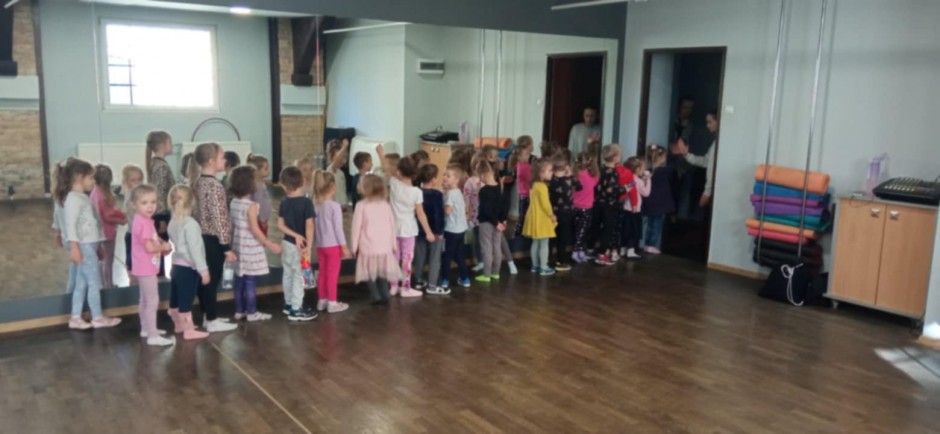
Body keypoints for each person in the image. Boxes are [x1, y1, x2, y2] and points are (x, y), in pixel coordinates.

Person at [59, 158, 122, 330]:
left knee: (82, 283)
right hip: (85, 247)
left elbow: (93, 223)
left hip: (90, 246)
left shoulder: (82, 197)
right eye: (91, 178)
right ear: (79, 177)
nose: (93, 181)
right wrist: (74, 248)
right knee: (94, 282)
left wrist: (98, 246)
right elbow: (71, 226)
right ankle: (98, 317)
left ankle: (75, 317)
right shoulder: (73, 199)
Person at [188, 143, 238, 333]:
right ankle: (211, 319)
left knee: (206, 278)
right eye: (222, 157)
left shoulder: (199, 182)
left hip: (202, 237)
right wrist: (226, 247)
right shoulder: (215, 186)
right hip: (213, 240)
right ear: (211, 161)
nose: (224, 160)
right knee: (211, 280)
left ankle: (208, 314)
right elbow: (219, 218)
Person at [229, 165, 282, 322]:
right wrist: (269, 243)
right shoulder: (251, 206)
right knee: (250, 281)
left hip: (238, 247)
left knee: (239, 280)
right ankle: (251, 312)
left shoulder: (234, 203)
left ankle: (239, 310)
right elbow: (254, 229)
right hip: (250, 249)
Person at [129, 184, 175, 346]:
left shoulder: (142, 219)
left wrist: (160, 241)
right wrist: (164, 247)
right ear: (134, 204)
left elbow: (150, 239)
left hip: (143, 266)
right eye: (144, 203)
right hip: (146, 267)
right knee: (152, 301)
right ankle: (153, 336)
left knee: (144, 299)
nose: (150, 206)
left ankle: (146, 329)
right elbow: (149, 247)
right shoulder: (144, 222)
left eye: (153, 202)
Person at [166, 184, 210, 340]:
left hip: (176, 265)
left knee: (176, 296)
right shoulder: (191, 224)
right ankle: (188, 330)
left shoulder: (173, 222)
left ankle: (179, 325)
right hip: (188, 268)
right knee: (186, 298)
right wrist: (203, 271)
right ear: (192, 202)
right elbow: (195, 250)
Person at [351, 174, 403, 305]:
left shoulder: (361, 206)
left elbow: (356, 228)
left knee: (370, 272)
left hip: (368, 246)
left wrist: (354, 247)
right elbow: (392, 226)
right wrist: (393, 244)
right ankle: (385, 294)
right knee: (382, 271)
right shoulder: (385, 205)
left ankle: (376, 296)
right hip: (384, 246)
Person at [389, 156, 435, 298]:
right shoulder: (416, 192)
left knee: (394, 258)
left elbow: (386, 169)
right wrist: (429, 232)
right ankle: (406, 288)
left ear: (398, 172)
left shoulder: (394, 184)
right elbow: (420, 214)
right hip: (408, 230)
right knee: (407, 259)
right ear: (415, 174)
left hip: (393, 229)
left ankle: (393, 286)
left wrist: (381, 153)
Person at [277, 166, 318, 321]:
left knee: (288, 273)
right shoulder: (307, 203)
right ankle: (296, 309)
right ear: (303, 182)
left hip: (286, 243)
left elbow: (280, 225)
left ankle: (288, 304)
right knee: (299, 276)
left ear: (283, 186)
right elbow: (310, 225)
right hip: (301, 247)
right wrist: (308, 245)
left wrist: (294, 235)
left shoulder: (284, 202)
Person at [312, 170, 351, 313]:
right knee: (332, 275)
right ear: (333, 187)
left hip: (320, 246)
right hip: (333, 246)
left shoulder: (316, 205)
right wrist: (344, 246)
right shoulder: (334, 206)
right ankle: (332, 302)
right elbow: (338, 229)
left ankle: (322, 300)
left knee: (322, 273)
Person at [412, 164, 447, 295]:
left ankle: (418, 280)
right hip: (434, 232)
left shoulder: (416, 192)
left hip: (418, 230)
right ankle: (432, 285)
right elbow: (439, 215)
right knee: (434, 258)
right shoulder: (437, 194)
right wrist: (440, 231)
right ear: (433, 179)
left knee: (419, 257)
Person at [90, 164, 127, 289]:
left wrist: (118, 213)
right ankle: (109, 285)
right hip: (107, 232)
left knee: (102, 259)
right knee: (108, 260)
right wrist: (121, 221)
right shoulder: (103, 195)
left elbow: (106, 212)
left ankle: (103, 283)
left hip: (98, 231)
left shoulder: (95, 192)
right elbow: (107, 216)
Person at [674, 110, 719, 207]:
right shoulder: (716, 142)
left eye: (710, 122)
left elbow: (711, 167)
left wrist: (707, 192)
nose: (707, 125)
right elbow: (706, 161)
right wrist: (687, 155)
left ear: (718, 121)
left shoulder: (718, 143)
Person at [145, 130, 174, 277]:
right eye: (170, 142)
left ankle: (158, 273)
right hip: (160, 215)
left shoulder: (156, 163)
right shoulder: (161, 166)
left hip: (158, 213)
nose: (172, 146)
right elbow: (160, 193)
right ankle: (158, 274)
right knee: (160, 247)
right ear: (162, 145)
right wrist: (162, 218)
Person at [475, 161, 508, 282]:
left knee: (486, 248)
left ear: (483, 174)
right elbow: (503, 206)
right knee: (496, 247)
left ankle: (487, 274)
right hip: (498, 223)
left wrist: (496, 222)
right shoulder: (500, 187)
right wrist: (502, 220)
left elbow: (486, 210)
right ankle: (496, 272)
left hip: (487, 223)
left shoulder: (484, 191)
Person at [523, 160, 557, 275]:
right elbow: (545, 204)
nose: (552, 173)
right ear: (541, 172)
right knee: (544, 243)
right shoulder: (542, 186)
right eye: (550, 170)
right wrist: (551, 215)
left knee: (536, 242)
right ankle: (544, 267)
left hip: (534, 216)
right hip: (542, 218)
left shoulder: (534, 185)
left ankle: (535, 265)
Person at [440, 164, 471, 289]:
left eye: (448, 176)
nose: (444, 177)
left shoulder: (451, 193)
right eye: (444, 175)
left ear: (456, 179)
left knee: (447, 256)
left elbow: (448, 211)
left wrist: (439, 207)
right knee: (458, 255)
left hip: (451, 229)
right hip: (460, 230)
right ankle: (465, 278)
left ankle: (445, 280)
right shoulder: (458, 192)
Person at [594, 144, 625, 266]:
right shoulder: (614, 173)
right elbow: (613, 191)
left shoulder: (600, 169)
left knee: (596, 226)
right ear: (615, 158)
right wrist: (627, 188)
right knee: (608, 229)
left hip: (597, 203)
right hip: (609, 205)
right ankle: (602, 254)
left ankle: (592, 249)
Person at [548, 155, 581, 271]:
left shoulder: (550, 180)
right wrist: (571, 174)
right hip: (566, 213)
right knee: (563, 238)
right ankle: (561, 261)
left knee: (551, 237)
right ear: (566, 167)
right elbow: (579, 187)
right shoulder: (569, 180)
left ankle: (548, 260)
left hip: (552, 213)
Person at [52, 159, 78, 295]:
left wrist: (57, 234)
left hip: (67, 238)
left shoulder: (60, 195)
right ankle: (74, 294)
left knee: (75, 266)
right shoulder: (74, 197)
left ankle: (70, 292)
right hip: (77, 241)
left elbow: (56, 216)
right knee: (82, 270)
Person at [643, 145, 674, 255]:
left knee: (650, 224)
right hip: (660, 203)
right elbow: (674, 168)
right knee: (656, 224)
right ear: (660, 158)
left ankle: (647, 244)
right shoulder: (664, 171)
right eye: (664, 156)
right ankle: (651, 245)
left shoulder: (647, 171)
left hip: (649, 202)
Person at [572, 152, 599, 263]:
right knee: (583, 231)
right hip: (586, 207)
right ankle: (577, 251)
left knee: (578, 231)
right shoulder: (591, 177)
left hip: (574, 207)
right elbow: (596, 180)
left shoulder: (575, 175)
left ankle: (580, 251)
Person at [621, 157, 651, 259]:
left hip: (626, 208)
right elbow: (646, 193)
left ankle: (623, 249)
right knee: (633, 231)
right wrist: (649, 180)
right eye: (642, 169)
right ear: (637, 169)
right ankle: (630, 250)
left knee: (625, 229)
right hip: (635, 209)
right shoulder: (638, 181)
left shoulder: (629, 180)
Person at [120, 164, 144, 280]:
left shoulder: (140, 194)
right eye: (133, 180)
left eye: (139, 180)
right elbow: (125, 210)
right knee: (131, 253)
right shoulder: (130, 194)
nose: (137, 183)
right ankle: (131, 273)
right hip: (132, 232)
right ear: (127, 182)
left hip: (140, 232)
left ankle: (137, 271)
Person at [510, 135, 534, 238]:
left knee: (523, 216)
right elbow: (531, 178)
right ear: (520, 156)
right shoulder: (523, 167)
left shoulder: (522, 165)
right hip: (526, 195)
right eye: (526, 154)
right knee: (523, 217)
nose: (528, 156)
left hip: (523, 195)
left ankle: (519, 234)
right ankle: (518, 235)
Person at [246, 154, 273, 236]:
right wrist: (262, 220)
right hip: (259, 220)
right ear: (257, 170)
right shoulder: (258, 186)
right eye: (266, 169)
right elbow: (259, 204)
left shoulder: (260, 183)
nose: (268, 171)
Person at [325, 139, 350, 207]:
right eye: (340, 156)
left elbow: (342, 190)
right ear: (332, 157)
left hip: (341, 205)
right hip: (333, 205)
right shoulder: (330, 169)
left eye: (343, 157)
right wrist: (344, 147)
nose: (341, 159)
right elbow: (337, 160)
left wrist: (344, 203)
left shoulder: (341, 173)